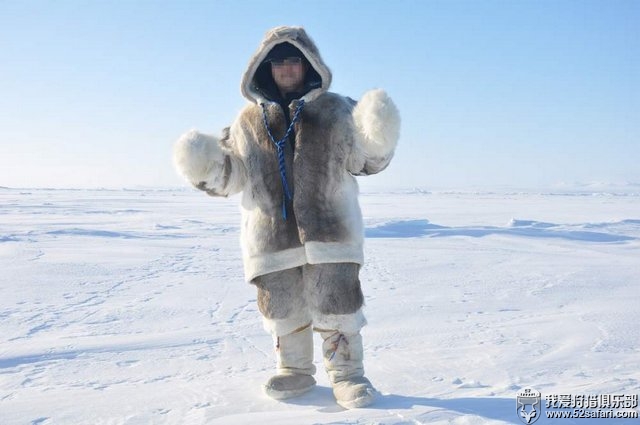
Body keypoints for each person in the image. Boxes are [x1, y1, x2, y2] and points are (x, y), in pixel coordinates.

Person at [173, 26, 400, 409]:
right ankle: (293, 369)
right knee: (283, 307)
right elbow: (233, 176)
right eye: (278, 61)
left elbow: (364, 161)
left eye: (293, 59)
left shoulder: (334, 108)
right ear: (265, 67)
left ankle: (346, 375)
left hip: (330, 233)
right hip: (271, 237)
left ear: (308, 63)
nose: (286, 68)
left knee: (337, 305)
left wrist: (377, 135)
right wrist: (203, 165)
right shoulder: (247, 121)